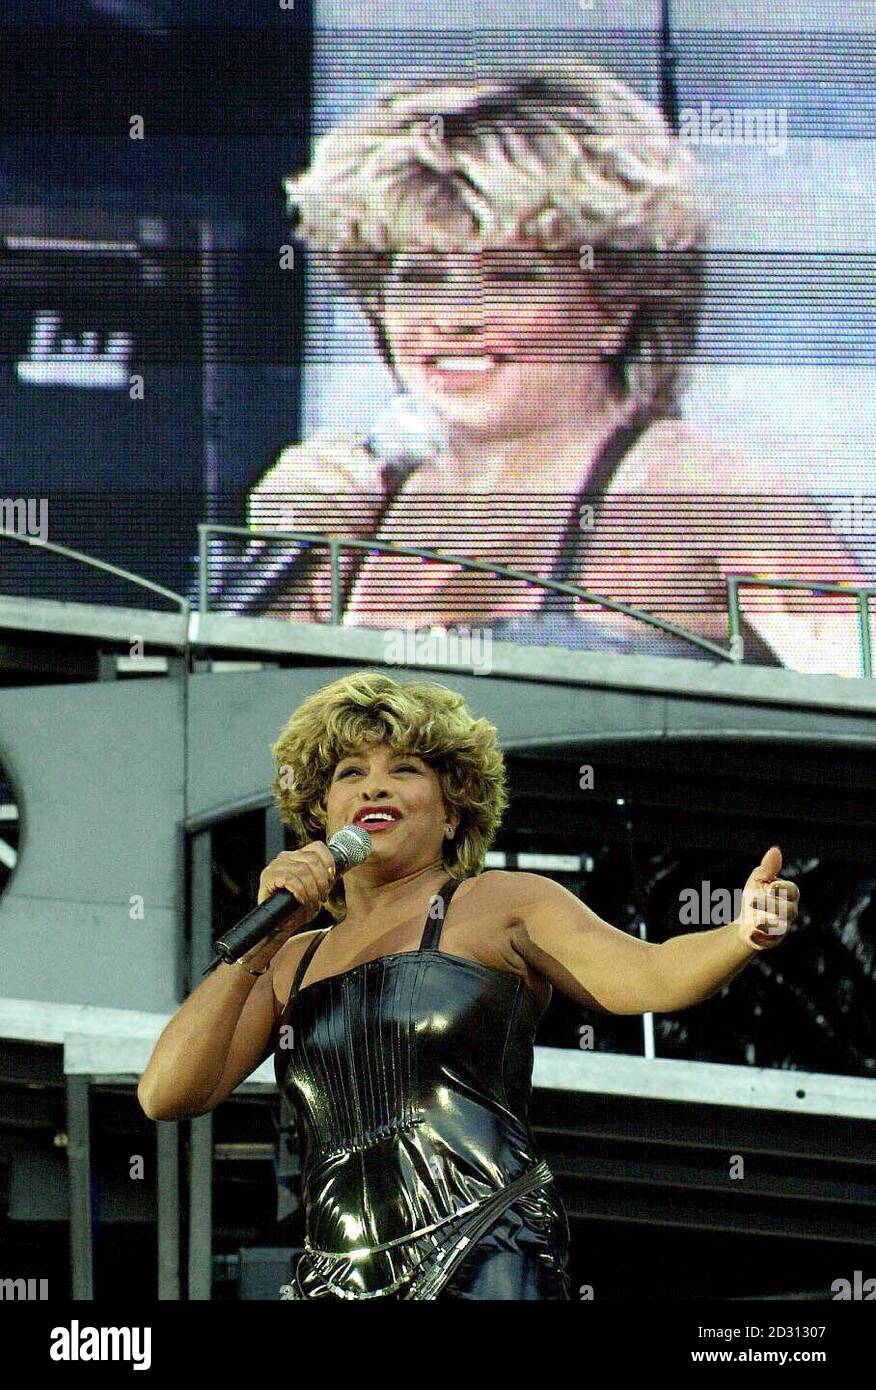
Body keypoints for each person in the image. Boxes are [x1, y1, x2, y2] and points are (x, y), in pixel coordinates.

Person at [137, 670, 800, 1300]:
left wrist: (742, 932)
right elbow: (166, 1092)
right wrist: (258, 945)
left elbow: (648, 975)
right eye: (351, 774)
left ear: (452, 811)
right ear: (320, 814)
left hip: (486, 1245)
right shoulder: (290, 960)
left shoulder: (500, 904)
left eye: (404, 770)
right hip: (333, 1276)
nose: (375, 788)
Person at [243, 61, 868, 675]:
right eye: (421, 279)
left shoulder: (708, 498)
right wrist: (280, 568)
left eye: (512, 278)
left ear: (615, 304)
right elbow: (243, 739)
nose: (455, 317)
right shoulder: (355, 502)